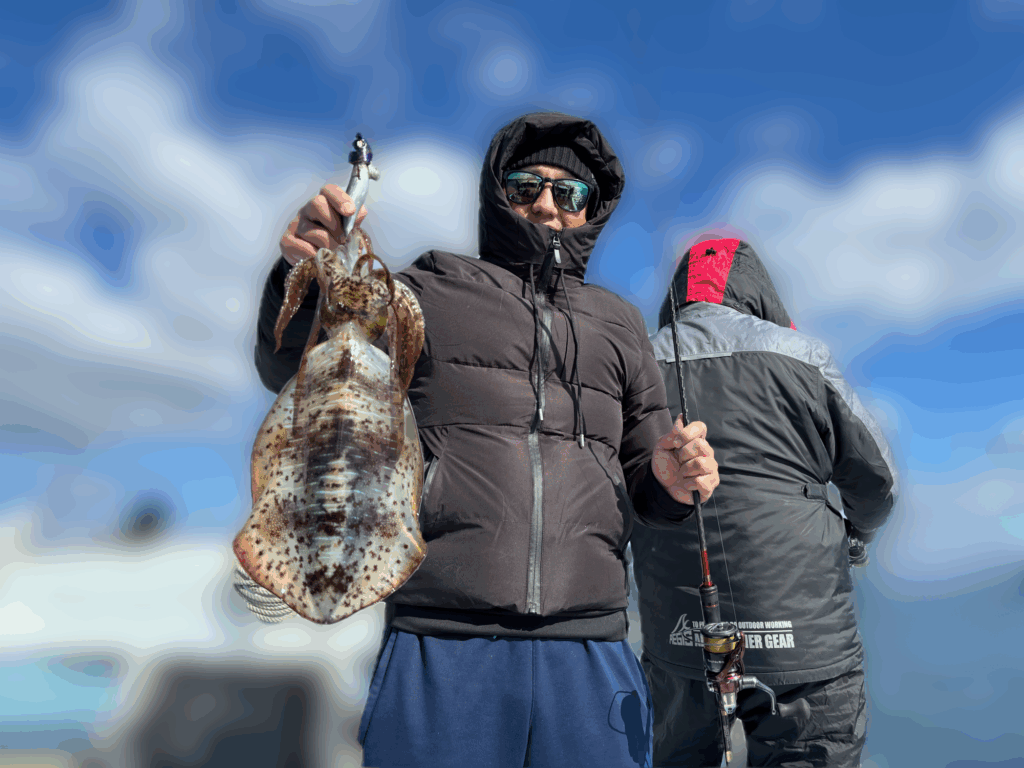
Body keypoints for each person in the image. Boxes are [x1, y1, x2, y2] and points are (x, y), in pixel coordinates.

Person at [252, 112, 721, 768]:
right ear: (498, 194)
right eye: (528, 185)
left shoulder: (619, 323)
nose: (548, 204)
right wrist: (302, 277)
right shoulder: (427, 289)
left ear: (591, 209)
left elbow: (645, 472)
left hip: (591, 649)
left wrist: (670, 481)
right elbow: (302, 365)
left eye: (570, 192)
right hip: (441, 642)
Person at [630, 237, 900, 767]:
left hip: (678, 641)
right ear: (757, 292)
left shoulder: (636, 366)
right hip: (808, 647)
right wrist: (857, 538)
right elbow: (876, 483)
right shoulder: (801, 356)